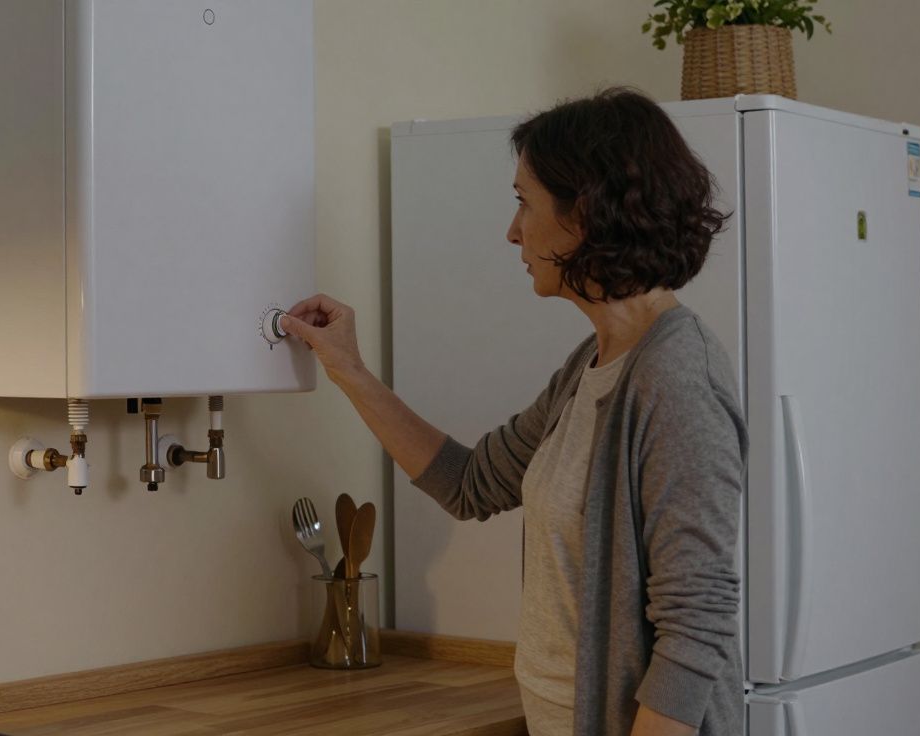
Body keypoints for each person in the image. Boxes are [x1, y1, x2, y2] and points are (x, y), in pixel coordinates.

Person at [280, 88, 745, 736]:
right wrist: (349, 371)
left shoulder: (675, 383)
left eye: (524, 201)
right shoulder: (594, 364)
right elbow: (469, 484)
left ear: (584, 212)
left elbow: (698, 627)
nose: (512, 230)